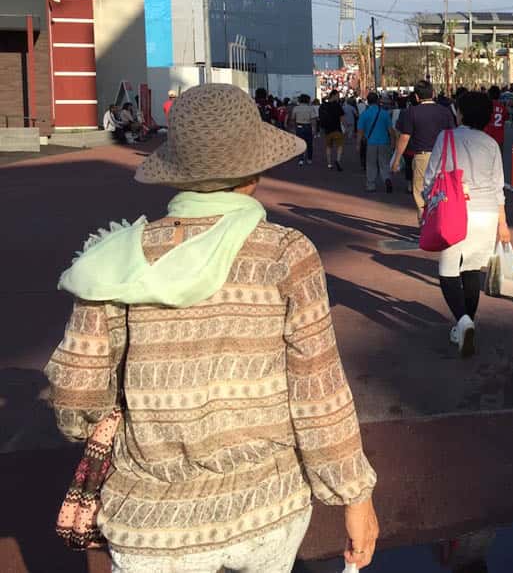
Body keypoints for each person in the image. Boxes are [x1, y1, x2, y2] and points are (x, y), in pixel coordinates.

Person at [45, 83, 380, 573]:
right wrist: (355, 497)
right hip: (265, 507)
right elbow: (319, 393)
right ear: (256, 169)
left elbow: (75, 400)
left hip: (151, 520)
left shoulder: (115, 259)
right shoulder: (286, 253)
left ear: (178, 170)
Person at [422, 91, 510, 357]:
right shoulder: (491, 143)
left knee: (448, 270)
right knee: (471, 270)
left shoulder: (446, 138)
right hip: (486, 212)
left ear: (460, 112)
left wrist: (429, 201)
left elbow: (431, 177)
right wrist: (503, 223)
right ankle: (466, 322)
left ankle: (463, 321)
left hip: (455, 209)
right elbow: (498, 186)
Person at [391, 81, 456, 222]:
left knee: (421, 191)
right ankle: (441, 219)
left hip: (422, 155)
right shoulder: (445, 112)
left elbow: (404, 137)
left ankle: (425, 221)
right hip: (444, 156)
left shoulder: (411, 112)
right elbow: (452, 134)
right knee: (442, 188)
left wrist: (397, 159)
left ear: (416, 97)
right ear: (433, 94)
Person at [358, 92, 394, 193]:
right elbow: (391, 130)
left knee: (371, 164)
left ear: (368, 101)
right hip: (384, 142)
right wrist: (393, 142)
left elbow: (360, 131)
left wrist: (358, 144)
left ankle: (371, 185)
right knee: (384, 163)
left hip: (371, 142)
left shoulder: (365, 114)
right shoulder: (384, 113)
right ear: (378, 100)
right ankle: (387, 178)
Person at [319, 91, 346, 171]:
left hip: (327, 129)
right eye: (337, 95)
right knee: (340, 146)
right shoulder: (337, 105)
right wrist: (345, 127)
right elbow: (342, 118)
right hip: (337, 128)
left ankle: (329, 163)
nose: (338, 97)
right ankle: (338, 160)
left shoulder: (323, 105)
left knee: (328, 147)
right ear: (333, 96)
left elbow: (320, 117)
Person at [289, 93, 318, 165]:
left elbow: (292, 119)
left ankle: (301, 159)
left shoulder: (296, 108)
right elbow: (313, 120)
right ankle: (309, 159)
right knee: (309, 144)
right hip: (308, 126)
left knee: (300, 143)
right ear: (308, 100)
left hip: (299, 126)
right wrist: (314, 129)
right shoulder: (310, 108)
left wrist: (293, 128)